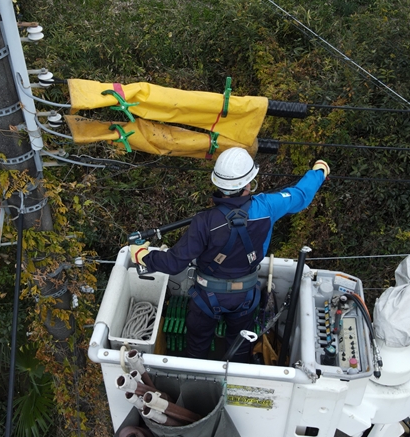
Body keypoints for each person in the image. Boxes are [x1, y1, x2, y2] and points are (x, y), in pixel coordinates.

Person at [130, 147, 329, 362]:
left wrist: (142, 255)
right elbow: (301, 195)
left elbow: (174, 263)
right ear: (249, 183)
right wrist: (319, 171)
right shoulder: (267, 207)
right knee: (240, 346)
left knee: (197, 346)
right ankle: (234, 378)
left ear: (218, 184)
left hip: (207, 297)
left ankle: (194, 378)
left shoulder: (205, 222)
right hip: (245, 297)